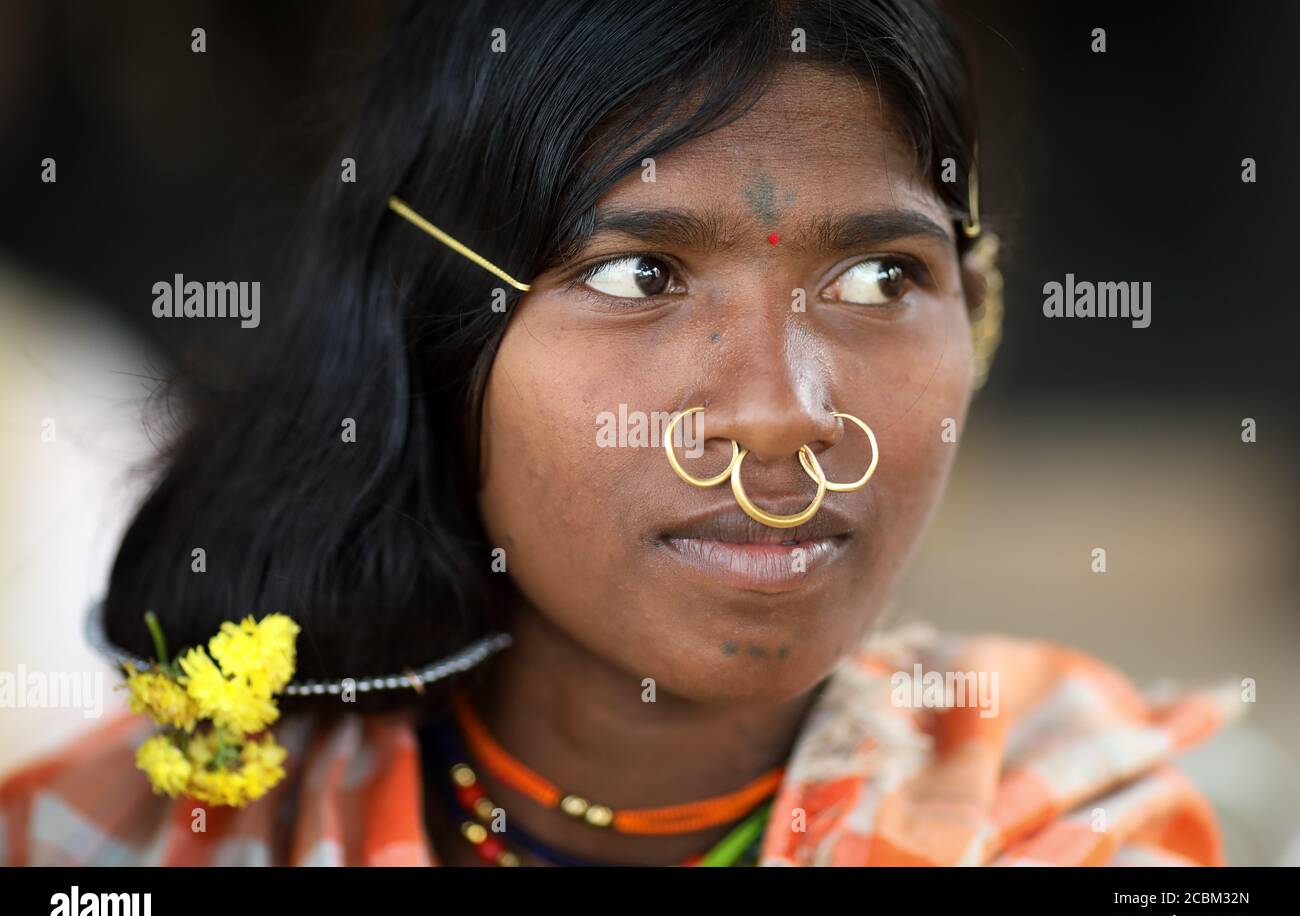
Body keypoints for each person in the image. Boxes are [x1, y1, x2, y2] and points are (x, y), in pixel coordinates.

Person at [0, 0, 1242, 866]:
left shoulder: (1068, 815)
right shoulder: (132, 841)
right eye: (640, 275)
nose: (781, 414)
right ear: (434, 332)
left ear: (970, 319)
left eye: (877, 279)